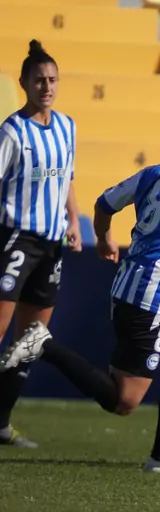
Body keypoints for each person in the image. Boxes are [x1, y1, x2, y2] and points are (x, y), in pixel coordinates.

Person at [0, 100, 160, 475]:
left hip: (132, 286)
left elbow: (104, 203)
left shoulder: (156, 170)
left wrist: (105, 239)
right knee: (124, 401)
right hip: (151, 298)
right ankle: (42, 344)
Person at [0, 40, 82, 449]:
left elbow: (67, 176)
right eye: (39, 80)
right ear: (24, 84)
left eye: (52, 80)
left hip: (51, 246)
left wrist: (74, 220)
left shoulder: (67, 127)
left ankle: (1, 423)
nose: (46, 87)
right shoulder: (12, 132)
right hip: (15, 240)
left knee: (29, 340)